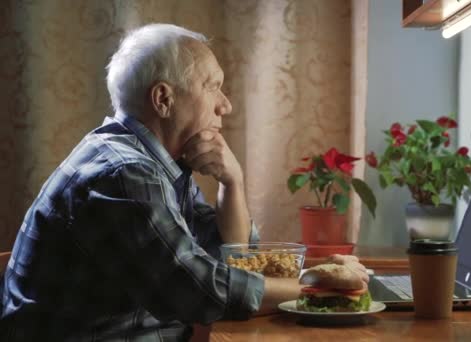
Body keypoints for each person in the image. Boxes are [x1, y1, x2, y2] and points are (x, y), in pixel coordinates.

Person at [0, 24, 369, 341]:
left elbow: (232, 261)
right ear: (163, 99)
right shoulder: (124, 173)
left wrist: (232, 182)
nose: (225, 106)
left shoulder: (154, 161)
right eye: (213, 87)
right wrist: (316, 283)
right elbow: (197, 290)